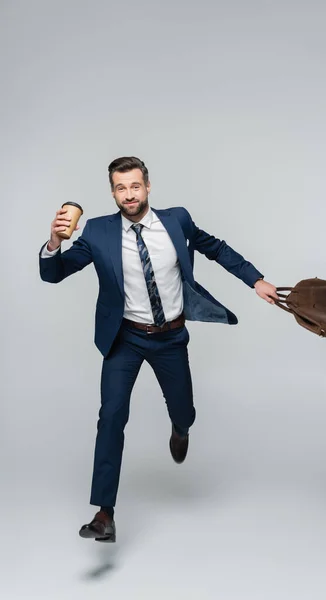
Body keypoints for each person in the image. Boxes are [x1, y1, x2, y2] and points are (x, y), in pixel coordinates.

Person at [39, 156, 279, 543]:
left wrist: (257, 281)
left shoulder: (176, 220)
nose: (128, 194)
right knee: (111, 417)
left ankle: (180, 427)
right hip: (125, 338)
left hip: (170, 337)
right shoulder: (98, 232)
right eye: (120, 187)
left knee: (183, 409)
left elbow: (215, 248)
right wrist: (54, 242)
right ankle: (104, 513)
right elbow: (54, 273)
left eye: (135, 186)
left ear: (148, 187)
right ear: (112, 192)